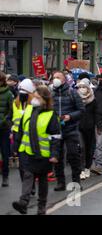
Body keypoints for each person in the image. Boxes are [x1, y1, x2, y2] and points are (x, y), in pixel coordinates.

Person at [12, 86, 61, 215]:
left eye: (38, 98)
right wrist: (16, 147)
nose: (34, 100)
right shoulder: (28, 110)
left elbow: (55, 136)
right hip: (27, 152)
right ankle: (23, 203)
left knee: (43, 180)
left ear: (45, 100)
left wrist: (55, 154)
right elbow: (21, 130)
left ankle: (41, 207)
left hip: (44, 154)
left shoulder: (51, 115)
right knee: (28, 175)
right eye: (34, 97)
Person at [51, 71, 85, 192]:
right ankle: (61, 182)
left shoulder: (73, 93)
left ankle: (76, 181)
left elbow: (81, 110)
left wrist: (70, 116)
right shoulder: (51, 94)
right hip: (56, 130)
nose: (55, 79)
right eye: (54, 77)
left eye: (58, 77)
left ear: (64, 79)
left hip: (70, 129)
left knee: (73, 155)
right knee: (58, 157)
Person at [76, 78, 96, 181]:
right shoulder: (76, 98)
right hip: (79, 127)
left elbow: (96, 113)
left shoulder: (93, 99)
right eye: (80, 87)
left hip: (90, 127)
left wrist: (97, 125)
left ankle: (88, 167)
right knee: (81, 148)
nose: (82, 89)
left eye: (84, 87)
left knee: (89, 148)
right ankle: (81, 169)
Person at [0, 72, 14, 187]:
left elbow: (11, 110)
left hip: (4, 128)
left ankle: (5, 176)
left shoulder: (9, 94)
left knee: (5, 153)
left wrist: (4, 121)